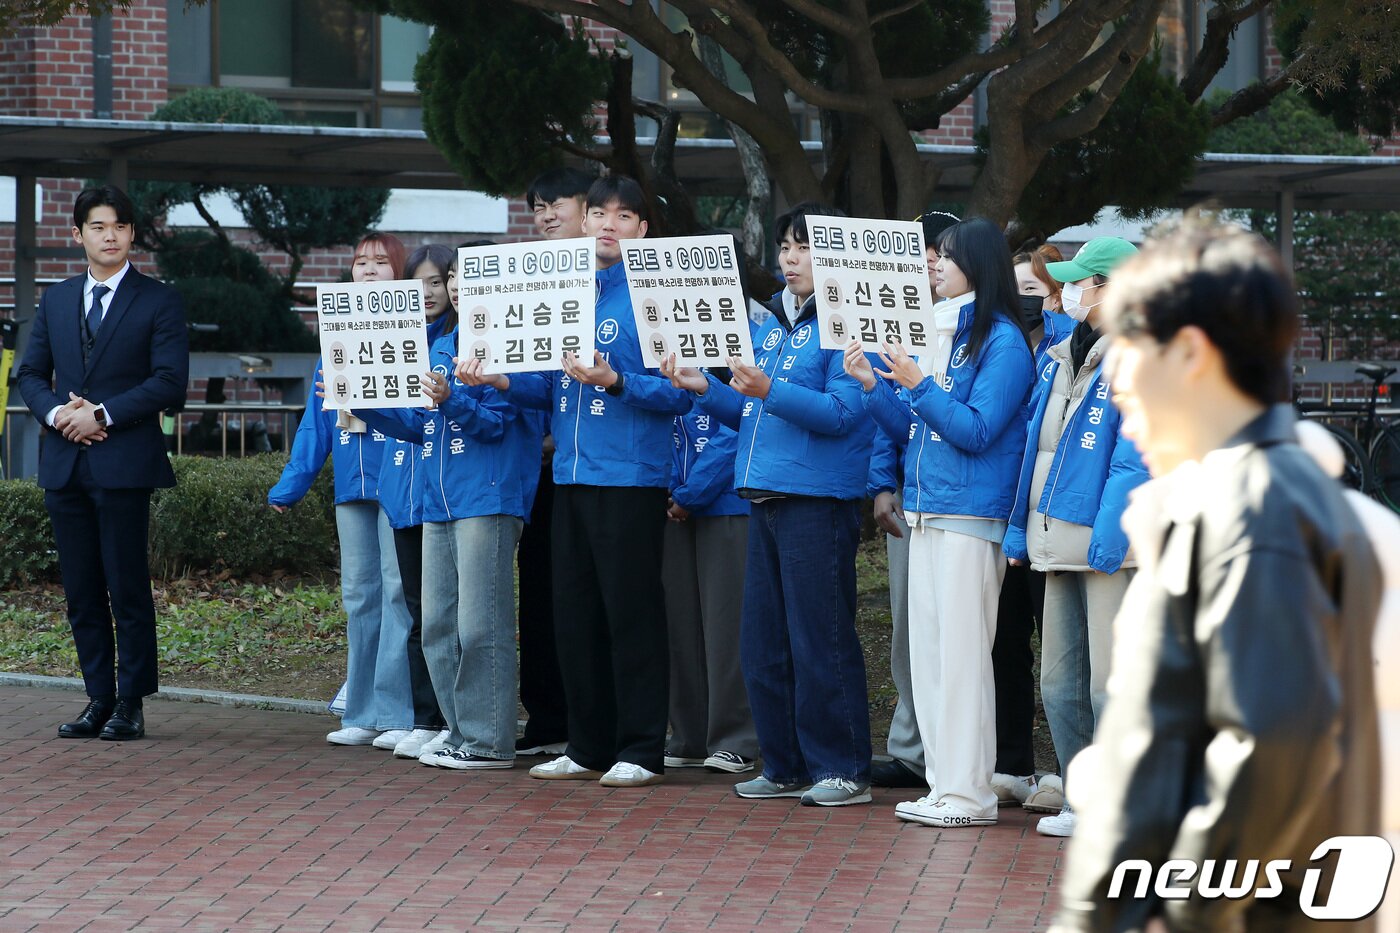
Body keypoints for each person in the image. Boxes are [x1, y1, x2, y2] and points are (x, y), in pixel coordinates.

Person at [1052, 221, 1383, 932]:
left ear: (1192, 354)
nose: (1116, 379)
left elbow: (1265, 750)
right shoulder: (1266, 497)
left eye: (1131, 352)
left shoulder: (1252, 514)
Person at [458, 174, 691, 788]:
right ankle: (588, 744)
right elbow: (551, 387)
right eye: (599, 213)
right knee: (575, 612)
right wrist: (501, 381)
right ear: (584, 222)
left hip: (631, 479)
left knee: (631, 613)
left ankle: (641, 747)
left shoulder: (655, 296)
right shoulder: (566, 292)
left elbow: (681, 394)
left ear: (643, 228)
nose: (609, 224)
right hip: (569, 477)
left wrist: (617, 382)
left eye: (623, 215)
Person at [664, 202, 877, 807]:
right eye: (785, 247)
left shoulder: (846, 322)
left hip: (817, 500)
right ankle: (784, 764)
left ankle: (842, 768)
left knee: (821, 638)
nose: (790, 258)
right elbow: (752, 410)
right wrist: (705, 388)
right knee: (764, 642)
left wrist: (771, 389)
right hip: (764, 495)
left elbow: (843, 413)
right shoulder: (778, 324)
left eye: (805, 247)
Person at [844, 217, 1034, 827]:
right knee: (928, 657)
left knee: (960, 659)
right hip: (926, 511)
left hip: (968, 515)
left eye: (945, 257)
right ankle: (942, 785)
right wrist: (876, 387)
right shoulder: (944, 332)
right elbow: (914, 430)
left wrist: (920, 386)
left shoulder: (1001, 341)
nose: (932, 264)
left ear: (977, 264)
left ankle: (969, 795)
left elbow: (978, 431)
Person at [17, 184, 189, 741]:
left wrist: (104, 416)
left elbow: (169, 381)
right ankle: (98, 697)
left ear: (132, 234)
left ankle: (131, 702)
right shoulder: (57, 299)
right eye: (97, 226)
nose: (108, 235)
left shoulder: (158, 299)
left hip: (124, 462)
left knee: (127, 585)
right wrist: (58, 417)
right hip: (64, 461)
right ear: (77, 235)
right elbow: (30, 375)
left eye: (118, 226)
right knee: (81, 588)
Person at [354, 280, 544, 772]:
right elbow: (422, 424)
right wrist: (364, 401)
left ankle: (489, 741)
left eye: (471, 281)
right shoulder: (442, 346)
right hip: (436, 500)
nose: (460, 290)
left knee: (480, 624)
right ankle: (459, 732)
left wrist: (452, 400)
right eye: (455, 281)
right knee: (437, 625)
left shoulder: (512, 348)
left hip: (488, 496)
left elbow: (497, 424)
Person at [1002, 237, 1148, 838]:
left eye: (1078, 282)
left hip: (1108, 549)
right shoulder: (1063, 353)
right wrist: (1020, 528)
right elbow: (1038, 450)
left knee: (1109, 683)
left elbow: (1135, 458)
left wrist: (1110, 538)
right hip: (1058, 543)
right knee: (1061, 682)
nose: (1065, 293)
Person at [269, 232, 415, 748]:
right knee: (359, 595)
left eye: (381, 262)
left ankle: (398, 712)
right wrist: (292, 484)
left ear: (400, 273)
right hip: (352, 483)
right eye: (361, 262)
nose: (370, 271)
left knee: (398, 592)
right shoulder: (334, 338)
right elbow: (316, 420)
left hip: (401, 476)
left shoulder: (414, 332)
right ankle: (362, 711)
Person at [662, 231, 759, 777]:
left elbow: (736, 427)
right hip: (675, 499)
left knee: (727, 626)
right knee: (681, 622)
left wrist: (691, 493)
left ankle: (737, 737)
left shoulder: (755, 330)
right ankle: (690, 731)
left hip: (725, 502)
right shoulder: (668, 334)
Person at [868, 210, 959, 791]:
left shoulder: (977, 330)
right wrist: (881, 484)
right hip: (907, 490)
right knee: (907, 625)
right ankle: (909, 748)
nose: (928, 261)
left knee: (950, 630)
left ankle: (953, 755)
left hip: (957, 498)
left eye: (939, 252)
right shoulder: (898, 324)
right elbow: (887, 423)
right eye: (921, 250)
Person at [516, 168, 593, 758]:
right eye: (537, 206)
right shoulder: (526, 279)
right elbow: (528, 376)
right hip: (538, 468)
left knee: (593, 600)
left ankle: (589, 723)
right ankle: (548, 719)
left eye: (555, 203)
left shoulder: (611, 281)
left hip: (605, 467)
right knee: (543, 596)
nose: (544, 215)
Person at [369, 243, 456, 759]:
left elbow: (428, 424)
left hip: (441, 493)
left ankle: (448, 717)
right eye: (418, 283)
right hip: (402, 493)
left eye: (437, 283)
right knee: (415, 608)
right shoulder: (394, 341)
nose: (427, 294)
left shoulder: (456, 343)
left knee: (443, 613)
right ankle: (424, 717)